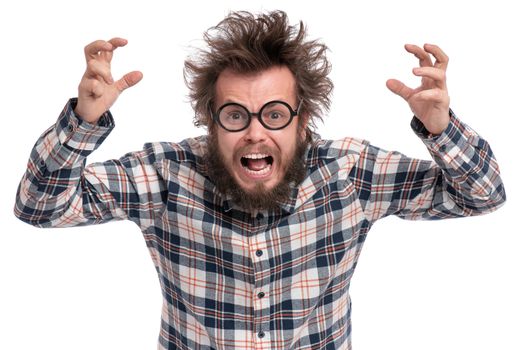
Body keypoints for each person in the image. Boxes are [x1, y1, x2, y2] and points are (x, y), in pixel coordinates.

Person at [14, 10, 505, 350]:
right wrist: (83, 121)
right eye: (234, 115)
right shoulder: (168, 176)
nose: (254, 133)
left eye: (273, 114)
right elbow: (40, 206)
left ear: (302, 118)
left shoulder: (349, 173)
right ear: (211, 121)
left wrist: (440, 128)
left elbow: (483, 194)